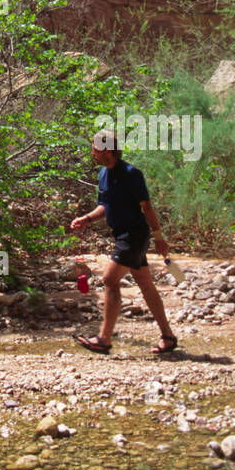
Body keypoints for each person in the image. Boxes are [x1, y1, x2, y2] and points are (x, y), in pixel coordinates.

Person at [70, 131, 177, 355]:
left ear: (108, 150)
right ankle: (168, 337)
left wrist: (159, 238)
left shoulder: (131, 173)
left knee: (109, 278)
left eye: (95, 149)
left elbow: (146, 207)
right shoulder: (102, 175)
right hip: (122, 235)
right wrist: (86, 219)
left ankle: (104, 339)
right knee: (145, 284)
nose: (92, 153)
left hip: (134, 234)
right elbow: (105, 207)